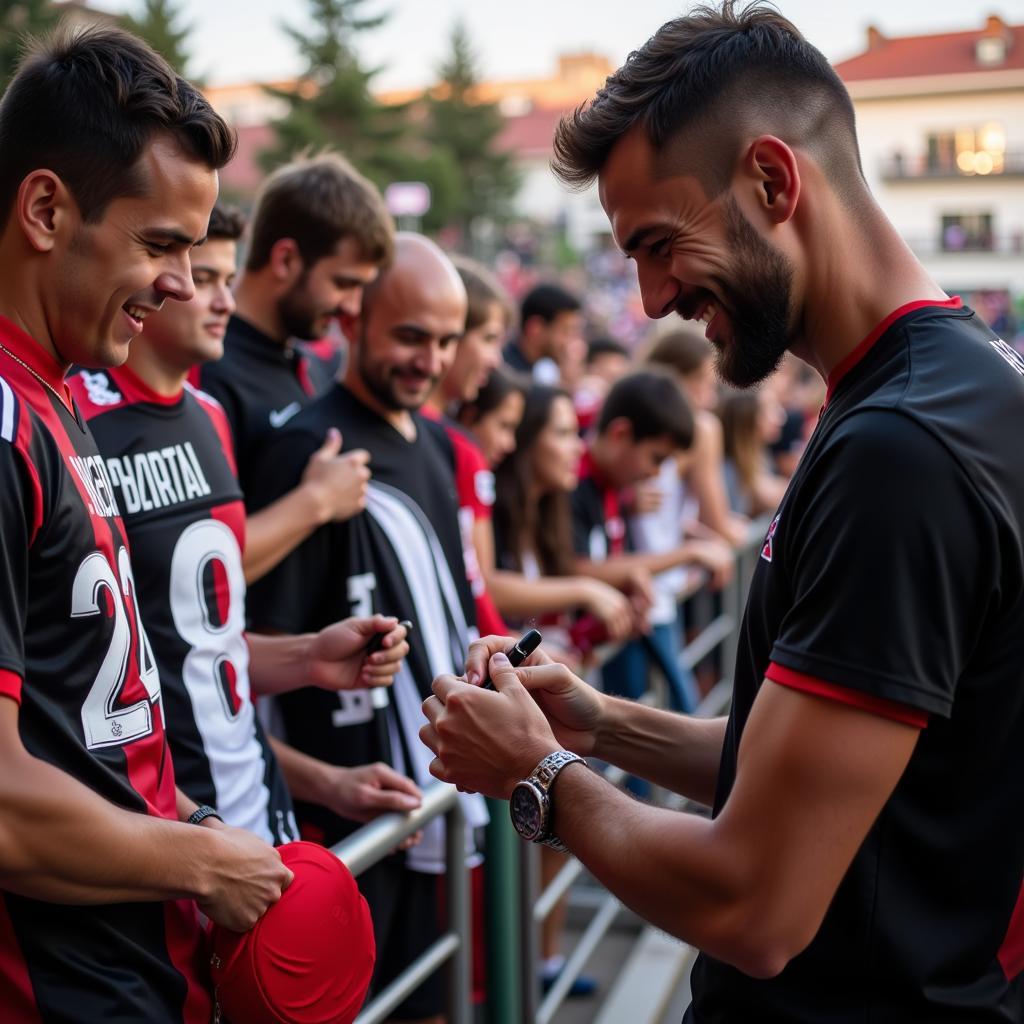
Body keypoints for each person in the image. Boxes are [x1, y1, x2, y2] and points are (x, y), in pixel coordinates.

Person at [421, 4, 1024, 1022]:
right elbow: (824, 763)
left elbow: (757, 902)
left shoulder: (900, 451)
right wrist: (602, 723)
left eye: (660, 244)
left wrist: (539, 775)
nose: (652, 298)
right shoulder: (949, 394)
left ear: (773, 181)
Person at [0, 24, 291, 1021]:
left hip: (141, 973)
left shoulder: (61, 395)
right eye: (161, 243)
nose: (181, 283)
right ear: (45, 209)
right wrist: (202, 859)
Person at [69, 203, 420, 846]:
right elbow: (112, 673)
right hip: (169, 824)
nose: (223, 300)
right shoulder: (82, 423)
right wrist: (313, 504)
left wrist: (311, 658)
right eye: (205, 278)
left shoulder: (209, 415)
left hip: (257, 803)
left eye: (227, 279)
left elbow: (206, 646)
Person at [247, 233, 486, 1023]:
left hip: (429, 802)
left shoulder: (434, 445)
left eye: (447, 340)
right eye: (411, 335)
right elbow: (244, 660)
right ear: (353, 321)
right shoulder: (309, 449)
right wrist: (323, 783)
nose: (431, 360)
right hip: (344, 822)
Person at [199, 152, 394, 583]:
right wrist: (317, 501)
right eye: (344, 283)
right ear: (286, 259)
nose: (353, 307)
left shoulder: (307, 359)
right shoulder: (206, 371)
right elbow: (195, 569)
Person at [718, 388, 788, 516]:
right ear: (748, 418)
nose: (781, 416)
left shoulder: (760, 455)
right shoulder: (727, 470)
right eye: (771, 409)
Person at [502, 282, 584, 385]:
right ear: (535, 329)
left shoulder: (541, 374)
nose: (573, 343)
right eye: (566, 331)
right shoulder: (506, 377)